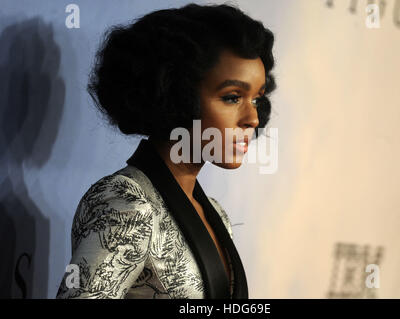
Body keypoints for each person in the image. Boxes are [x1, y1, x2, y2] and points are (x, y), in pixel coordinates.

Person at [55, 2, 276, 299]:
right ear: (176, 95)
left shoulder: (216, 216)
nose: (253, 118)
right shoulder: (126, 203)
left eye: (257, 99)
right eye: (233, 97)